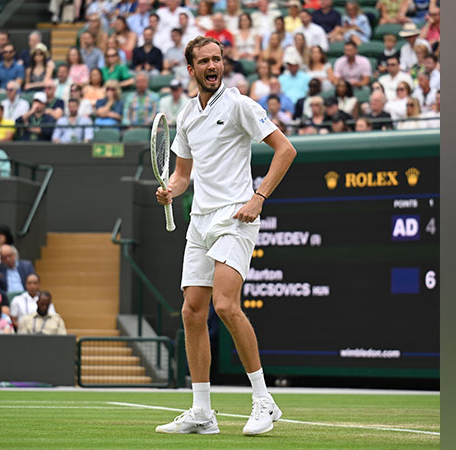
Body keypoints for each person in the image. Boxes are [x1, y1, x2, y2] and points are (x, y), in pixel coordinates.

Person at [154, 35, 295, 436]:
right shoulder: (185, 116)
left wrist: (259, 196)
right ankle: (202, 413)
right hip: (200, 220)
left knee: (226, 306)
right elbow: (183, 176)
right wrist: (171, 190)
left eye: (218, 59)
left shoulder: (238, 104)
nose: (213, 66)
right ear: (191, 69)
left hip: (236, 215)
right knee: (191, 311)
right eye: (205, 61)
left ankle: (264, 401)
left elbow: (285, 150)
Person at [0, 244, 36, 311]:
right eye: (4, 257)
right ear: (1, 259)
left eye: (9, 256)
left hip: (26, 296)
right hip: (8, 300)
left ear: (14, 254)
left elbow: (34, 282)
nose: (8, 259)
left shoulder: (27, 266)